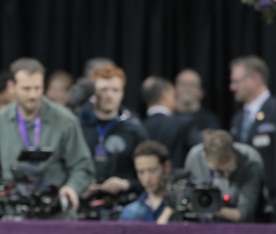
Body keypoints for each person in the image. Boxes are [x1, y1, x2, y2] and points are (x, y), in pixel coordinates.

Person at [0, 58, 95, 221]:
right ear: (11, 87)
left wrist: (72, 188)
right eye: (26, 88)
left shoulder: (65, 120)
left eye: (37, 88)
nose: (33, 95)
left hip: (56, 218)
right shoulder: (0, 121)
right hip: (14, 218)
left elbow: (83, 167)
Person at [77, 64, 147, 202]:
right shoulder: (79, 127)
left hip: (123, 204)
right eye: (104, 90)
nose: (109, 95)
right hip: (83, 203)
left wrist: (126, 184)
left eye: (115, 90)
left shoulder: (133, 130)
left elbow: (151, 174)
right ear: (93, 93)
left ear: (122, 93)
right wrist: (77, 187)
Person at [180, 129, 268, 223]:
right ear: (204, 156)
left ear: (234, 152)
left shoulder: (251, 162)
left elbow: (244, 214)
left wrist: (209, 208)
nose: (226, 175)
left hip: (241, 225)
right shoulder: (195, 158)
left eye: (231, 169)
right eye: (219, 171)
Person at [229, 55, 276, 208]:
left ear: (255, 80)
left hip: (273, 200)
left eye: (236, 81)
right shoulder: (237, 118)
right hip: (245, 201)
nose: (232, 87)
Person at [141, 76, 193, 168]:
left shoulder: (138, 127)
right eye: (173, 95)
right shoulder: (184, 124)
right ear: (164, 95)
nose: (175, 100)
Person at [119, 141, 173, 223]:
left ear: (166, 167)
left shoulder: (182, 208)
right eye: (141, 172)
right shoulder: (130, 213)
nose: (147, 179)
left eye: (152, 170)